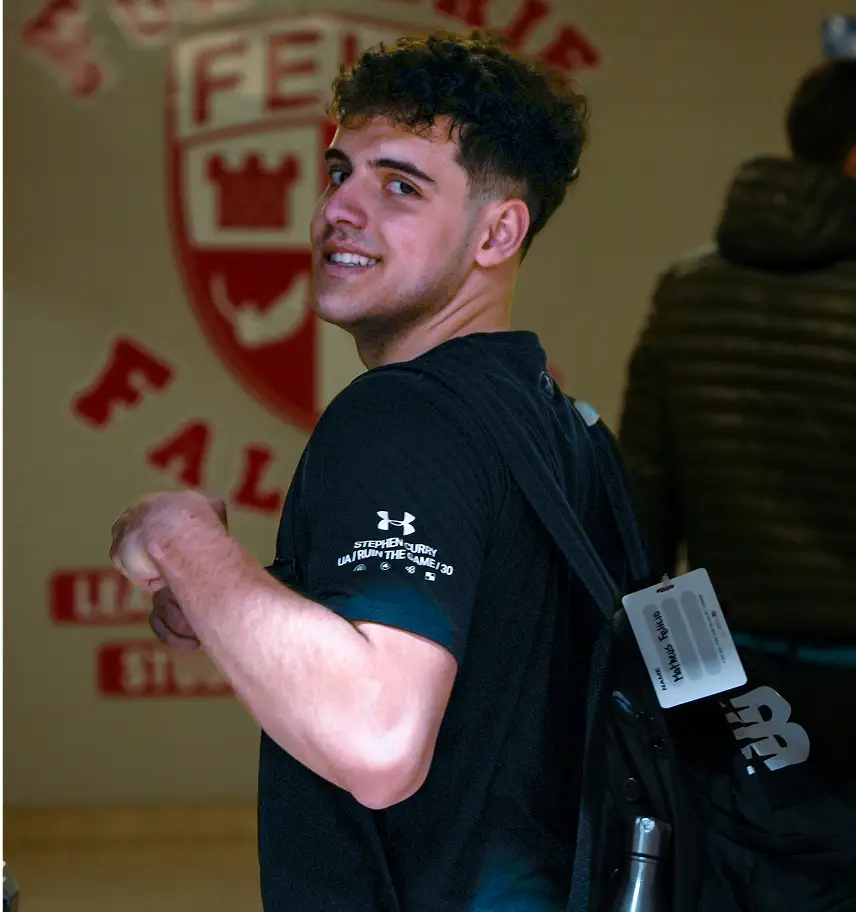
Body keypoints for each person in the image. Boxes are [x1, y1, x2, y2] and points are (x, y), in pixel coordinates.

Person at [109, 31, 632, 911]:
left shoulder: (402, 416)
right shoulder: (560, 423)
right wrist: (243, 592)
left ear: (500, 231)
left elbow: (378, 739)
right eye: (339, 172)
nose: (340, 209)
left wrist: (178, 532)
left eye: (400, 185)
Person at [618, 56, 856, 797]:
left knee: (748, 873)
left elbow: (642, 511)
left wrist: (675, 685)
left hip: (733, 675)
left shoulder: (686, 292)